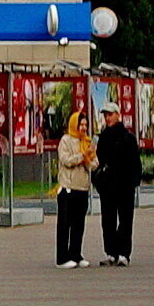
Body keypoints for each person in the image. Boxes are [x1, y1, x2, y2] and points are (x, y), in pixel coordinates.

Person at [94, 101, 142, 266]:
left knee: (125, 220)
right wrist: (98, 181)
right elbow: (98, 162)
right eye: (105, 115)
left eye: (110, 114)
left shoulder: (128, 138)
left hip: (125, 186)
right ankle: (110, 252)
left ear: (118, 115)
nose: (107, 118)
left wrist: (134, 181)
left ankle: (124, 253)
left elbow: (135, 162)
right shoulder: (103, 138)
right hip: (107, 187)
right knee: (107, 220)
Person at [55, 111, 98, 269]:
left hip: (82, 188)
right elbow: (66, 160)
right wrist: (82, 155)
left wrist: (88, 157)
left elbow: (94, 164)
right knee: (65, 224)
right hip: (68, 188)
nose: (83, 128)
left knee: (79, 224)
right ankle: (62, 257)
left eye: (86, 125)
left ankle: (76, 254)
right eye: (81, 124)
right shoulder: (66, 140)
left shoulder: (87, 141)